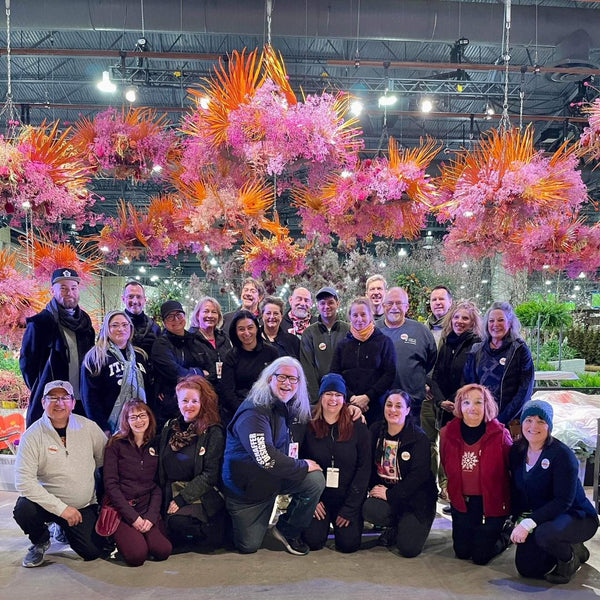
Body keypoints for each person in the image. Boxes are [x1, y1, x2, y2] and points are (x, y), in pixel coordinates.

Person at [223, 356, 325, 555]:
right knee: (249, 546)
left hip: (273, 480)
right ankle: (232, 517)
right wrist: (302, 465)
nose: (287, 383)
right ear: (270, 379)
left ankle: (287, 530)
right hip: (247, 493)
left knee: (314, 480)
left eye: (293, 379)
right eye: (282, 377)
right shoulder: (254, 411)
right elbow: (266, 458)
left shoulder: (288, 406)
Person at [13, 380, 107, 567]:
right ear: (43, 402)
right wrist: (61, 509)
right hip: (46, 504)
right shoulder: (32, 436)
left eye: (65, 397)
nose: (59, 403)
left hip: (81, 506)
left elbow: (103, 459)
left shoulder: (89, 427)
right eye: (53, 398)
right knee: (24, 509)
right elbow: (24, 482)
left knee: (93, 551)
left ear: (73, 403)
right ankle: (40, 540)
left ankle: (63, 528)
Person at [509, 400, 599, 584]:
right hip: (544, 516)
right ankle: (567, 545)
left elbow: (563, 501)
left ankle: (569, 559)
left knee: (545, 534)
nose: (533, 426)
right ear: (522, 422)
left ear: (549, 425)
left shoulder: (562, 455)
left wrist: (529, 523)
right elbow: (517, 489)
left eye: (541, 421)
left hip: (576, 515)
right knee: (527, 569)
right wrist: (515, 517)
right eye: (529, 419)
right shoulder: (517, 451)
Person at [439, 384, 512, 565]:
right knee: (462, 552)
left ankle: (506, 533)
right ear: (459, 406)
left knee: (480, 557)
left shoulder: (501, 434)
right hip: (463, 501)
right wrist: (446, 485)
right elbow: (445, 464)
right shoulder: (447, 433)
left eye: (479, 402)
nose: (472, 407)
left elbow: (511, 469)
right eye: (467, 402)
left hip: (491, 502)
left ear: (487, 406)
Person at [362, 390, 437, 558]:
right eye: (389, 405)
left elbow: (419, 477)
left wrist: (390, 494)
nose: (393, 410)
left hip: (417, 500)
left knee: (408, 549)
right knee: (370, 508)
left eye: (398, 406)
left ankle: (415, 523)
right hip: (391, 498)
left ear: (408, 410)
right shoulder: (375, 431)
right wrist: (375, 488)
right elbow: (367, 464)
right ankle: (395, 525)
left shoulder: (419, 438)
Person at [301, 373, 371, 553]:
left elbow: (364, 468)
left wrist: (350, 508)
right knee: (313, 541)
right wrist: (312, 500)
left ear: (344, 399)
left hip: (347, 498)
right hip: (320, 499)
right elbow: (300, 462)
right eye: (328, 394)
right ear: (321, 396)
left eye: (338, 395)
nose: (333, 399)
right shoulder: (308, 425)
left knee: (348, 545)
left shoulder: (358, 426)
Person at [157, 375, 226, 549]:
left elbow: (210, 475)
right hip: (170, 490)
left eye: (194, 401)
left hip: (199, 494)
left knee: (179, 525)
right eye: (184, 400)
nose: (189, 405)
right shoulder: (169, 427)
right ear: (178, 402)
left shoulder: (212, 432)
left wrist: (182, 499)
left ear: (203, 402)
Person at [20, 268, 95, 427]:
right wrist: (43, 385)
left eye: (73, 288)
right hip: (53, 402)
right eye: (63, 288)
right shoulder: (40, 323)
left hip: (81, 401)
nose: (70, 292)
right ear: (52, 291)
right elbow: (27, 364)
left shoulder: (85, 324)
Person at [103, 400, 172, 566]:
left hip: (146, 507)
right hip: (122, 509)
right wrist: (133, 518)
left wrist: (150, 516)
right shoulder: (115, 444)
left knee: (163, 551)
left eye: (142, 415)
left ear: (149, 417)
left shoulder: (156, 443)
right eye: (133, 417)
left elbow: (157, 485)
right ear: (126, 420)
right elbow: (111, 485)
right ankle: (122, 538)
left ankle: (140, 536)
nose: (139, 421)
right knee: (136, 557)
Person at [431, 301, 483, 500]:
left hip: (464, 410)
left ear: (472, 322)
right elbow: (436, 376)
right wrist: (440, 400)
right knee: (448, 454)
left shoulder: (477, 345)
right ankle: (452, 494)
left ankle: (466, 497)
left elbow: (470, 379)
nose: (459, 322)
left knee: (466, 455)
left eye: (465, 318)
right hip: (445, 408)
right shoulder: (446, 343)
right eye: (456, 317)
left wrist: (456, 402)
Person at [463, 301, 534, 426]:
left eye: (500, 320)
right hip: (481, 419)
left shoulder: (519, 350)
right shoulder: (476, 350)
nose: (495, 324)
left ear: (510, 322)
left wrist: (501, 420)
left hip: (510, 421)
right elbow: (470, 385)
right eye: (491, 321)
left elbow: (524, 390)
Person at [81, 310, 151, 436]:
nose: (121, 329)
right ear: (106, 328)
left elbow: (149, 390)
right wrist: (102, 427)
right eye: (115, 325)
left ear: (131, 328)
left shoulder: (140, 356)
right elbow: (89, 397)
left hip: (140, 425)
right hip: (109, 428)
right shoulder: (96, 357)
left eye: (125, 325)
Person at [330, 297, 397, 425]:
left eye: (363, 314)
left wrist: (367, 397)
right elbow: (335, 374)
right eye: (355, 315)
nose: (359, 319)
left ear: (370, 315)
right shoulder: (342, 345)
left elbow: (389, 374)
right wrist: (352, 398)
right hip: (348, 407)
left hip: (377, 408)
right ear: (349, 317)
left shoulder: (384, 342)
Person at [377, 287, 437, 425]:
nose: (394, 307)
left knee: (411, 445)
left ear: (407, 306)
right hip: (380, 406)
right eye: (390, 303)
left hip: (412, 406)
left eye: (399, 303)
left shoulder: (421, 331)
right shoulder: (373, 330)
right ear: (383, 306)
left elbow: (431, 360)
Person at [151, 300, 211, 426]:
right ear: (163, 322)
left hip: (196, 403)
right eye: (170, 317)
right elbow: (174, 372)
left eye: (179, 315)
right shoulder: (160, 345)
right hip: (170, 404)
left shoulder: (194, 340)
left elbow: (207, 365)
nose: (176, 319)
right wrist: (199, 373)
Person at [220, 310, 279, 424]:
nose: (246, 333)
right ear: (235, 332)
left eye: (250, 327)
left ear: (257, 328)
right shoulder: (230, 356)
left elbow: (276, 384)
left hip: (268, 408)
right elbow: (228, 392)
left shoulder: (271, 352)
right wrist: (245, 412)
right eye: (241, 329)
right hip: (241, 410)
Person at [300, 286, 350, 404]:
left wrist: (348, 396)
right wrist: (316, 400)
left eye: (330, 302)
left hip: (345, 396)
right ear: (318, 306)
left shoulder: (348, 330)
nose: (326, 307)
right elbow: (307, 368)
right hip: (319, 398)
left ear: (337, 303)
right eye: (322, 303)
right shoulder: (309, 333)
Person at [189, 296, 232, 391]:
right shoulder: (190, 339)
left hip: (225, 392)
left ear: (219, 316)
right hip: (201, 392)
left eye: (214, 312)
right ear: (197, 315)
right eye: (206, 311)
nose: (210, 315)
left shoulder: (224, 338)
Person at [122, 280, 161, 356]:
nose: (135, 301)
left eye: (139, 297)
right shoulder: (113, 326)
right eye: (130, 296)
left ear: (145, 300)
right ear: (123, 299)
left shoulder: (154, 328)